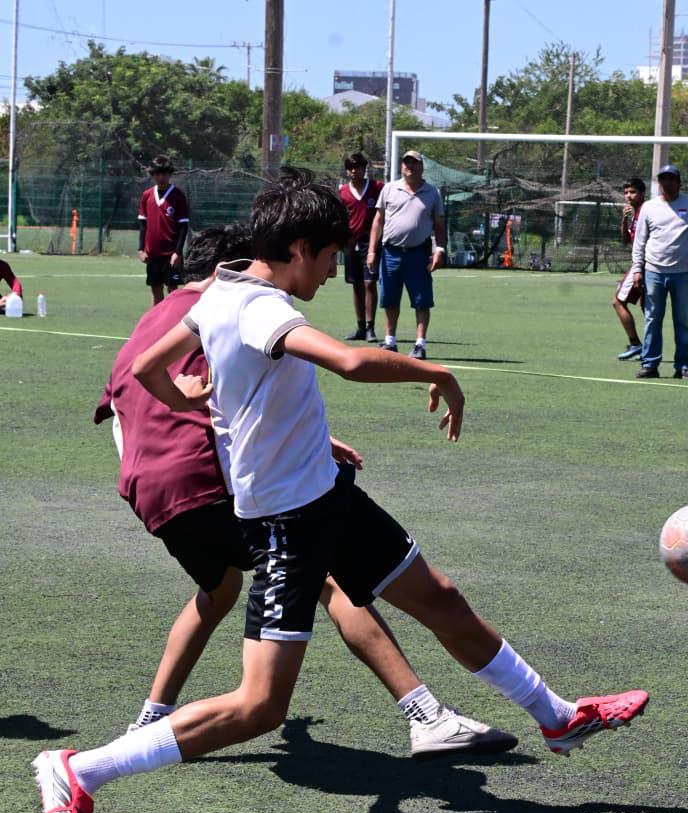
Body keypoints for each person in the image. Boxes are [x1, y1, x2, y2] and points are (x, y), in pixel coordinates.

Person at [33, 170, 648, 813]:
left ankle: (557, 717)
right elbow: (350, 363)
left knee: (440, 597)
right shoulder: (262, 307)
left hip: (328, 498)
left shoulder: (222, 289)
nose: (333, 272)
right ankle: (80, 769)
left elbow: (149, 367)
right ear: (299, 247)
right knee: (259, 707)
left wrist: (196, 404)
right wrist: (436, 374)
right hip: (286, 525)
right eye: (330, 257)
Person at [96, 222, 515, 758]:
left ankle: (150, 718)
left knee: (219, 590)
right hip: (214, 478)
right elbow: (249, 393)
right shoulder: (233, 306)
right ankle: (426, 715)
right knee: (333, 581)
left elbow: (127, 393)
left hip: (149, 489)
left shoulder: (155, 318)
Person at [631, 165, 688, 381]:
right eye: (663, 179)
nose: (666, 183)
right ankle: (649, 364)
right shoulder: (649, 207)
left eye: (671, 179)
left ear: (679, 182)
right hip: (653, 272)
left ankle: (683, 366)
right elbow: (639, 242)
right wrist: (637, 269)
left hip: (683, 274)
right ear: (658, 182)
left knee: (682, 321)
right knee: (652, 319)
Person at [367, 150, 446, 360]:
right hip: (391, 252)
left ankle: (420, 344)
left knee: (421, 300)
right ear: (401, 166)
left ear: (421, 166)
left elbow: (439, 224)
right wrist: (372, 251)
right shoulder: (390, 189)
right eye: (406, 163)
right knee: (390, 299)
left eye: (414, 163)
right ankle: (390, 341)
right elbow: (378, 220)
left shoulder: (432, 193)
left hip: (419, 254)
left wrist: (440, 249)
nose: (409, 166)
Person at [339, 153, 384, 344]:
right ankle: (360, 327)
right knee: (356, 285)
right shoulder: (342, 192)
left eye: (358, 167)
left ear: (365, 168)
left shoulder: (377, 188)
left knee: (369, 283)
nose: (354, 171)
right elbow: (340, 218)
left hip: (371, 243)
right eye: (350, 167)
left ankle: (370, 328)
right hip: (351, 244)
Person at [138, 155, 190, 307]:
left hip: (171, 255)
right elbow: (143, 224)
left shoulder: (178, 196)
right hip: (153, 254)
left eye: (164, 173)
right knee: (156, 291)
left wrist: (178, 252)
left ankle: (172, 324)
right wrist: (141, 249)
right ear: (152, 174)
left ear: (170, 174)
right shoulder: (147, 195)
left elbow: (183, 226)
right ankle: (157, 327)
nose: (161, 177)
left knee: (173, 291)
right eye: (157, 173)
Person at [613, 177, 647, 361]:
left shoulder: (645, 212)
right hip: (643, 264)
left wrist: (638, 269)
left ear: (642, 193)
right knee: (646, 307)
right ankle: (647, 347)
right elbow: (627, 240)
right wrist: (624, 220)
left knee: (617, 302)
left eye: (632, 192)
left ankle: (636, 344)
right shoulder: (634, 213)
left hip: (642, 265)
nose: (628, 196)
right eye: (626, 192)